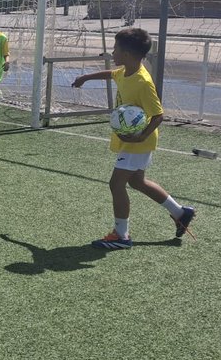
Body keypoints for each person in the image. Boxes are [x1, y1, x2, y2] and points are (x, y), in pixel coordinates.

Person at [71, 27, 196, 249]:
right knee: (137, 181)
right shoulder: (125, 70)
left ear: (126, 54)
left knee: (116, 184)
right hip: (132, 141)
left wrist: (140, 137)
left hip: (138, 142)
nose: (112, 52)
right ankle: (180, 212)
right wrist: (86, 77)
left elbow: (158, 115)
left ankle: (122, 236)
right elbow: (111, 74)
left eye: (115, 49)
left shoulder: (142, 82)